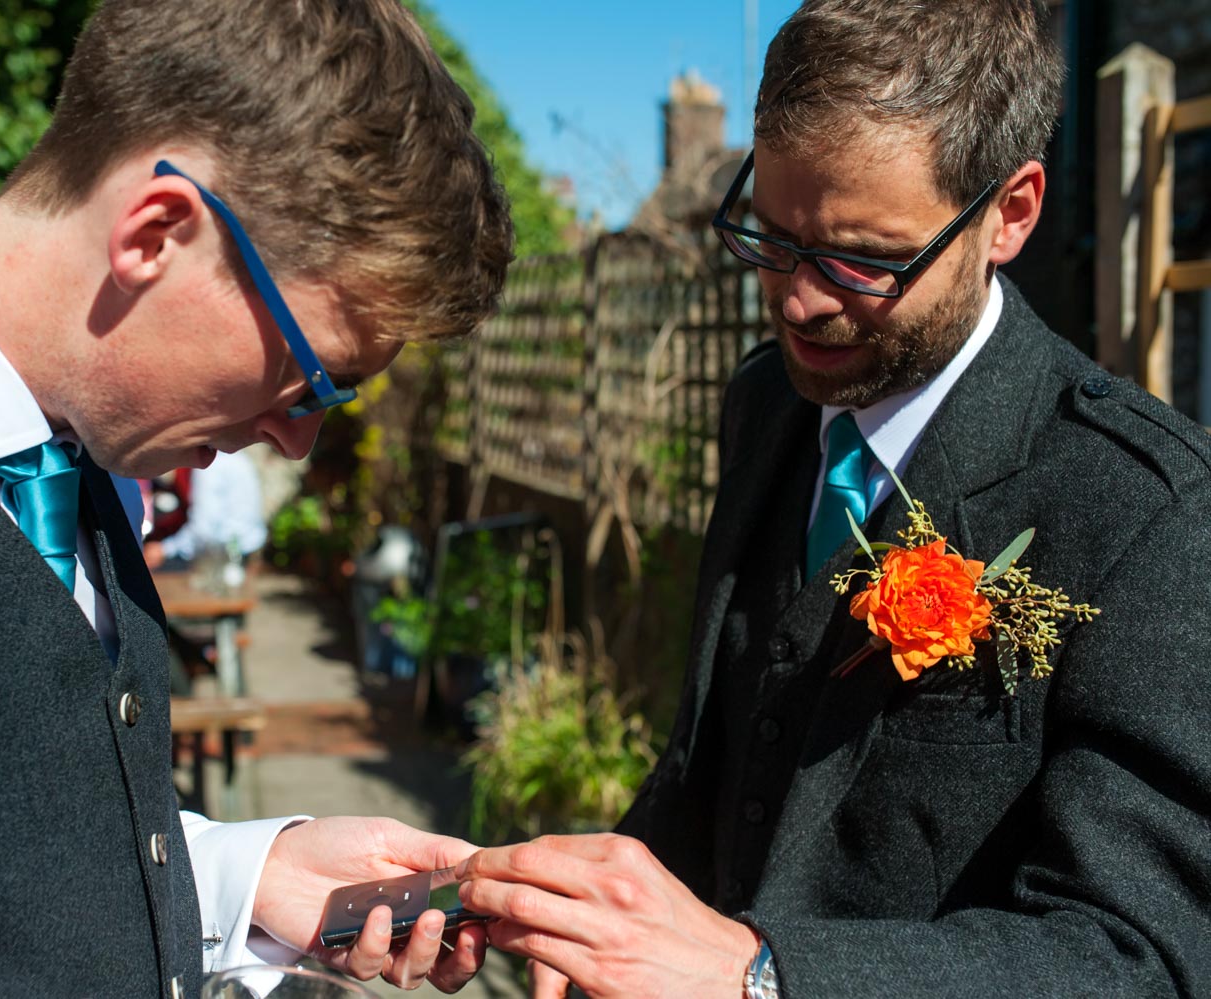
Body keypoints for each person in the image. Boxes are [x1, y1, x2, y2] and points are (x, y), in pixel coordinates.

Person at [0, 1, 511, 995]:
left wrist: (243, 876)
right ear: (157, 232)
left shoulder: (90, 478)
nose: (298, 436)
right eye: (312, 379)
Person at [453, 1, 1211, 995]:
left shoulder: (1141, 508)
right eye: (771, 235)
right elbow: (720, 763)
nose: (800, 300)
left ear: (1010, 214)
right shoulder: (763, 402)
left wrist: (764, 974)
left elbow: (1136, 957)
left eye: (861, 257)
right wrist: (580, 909)